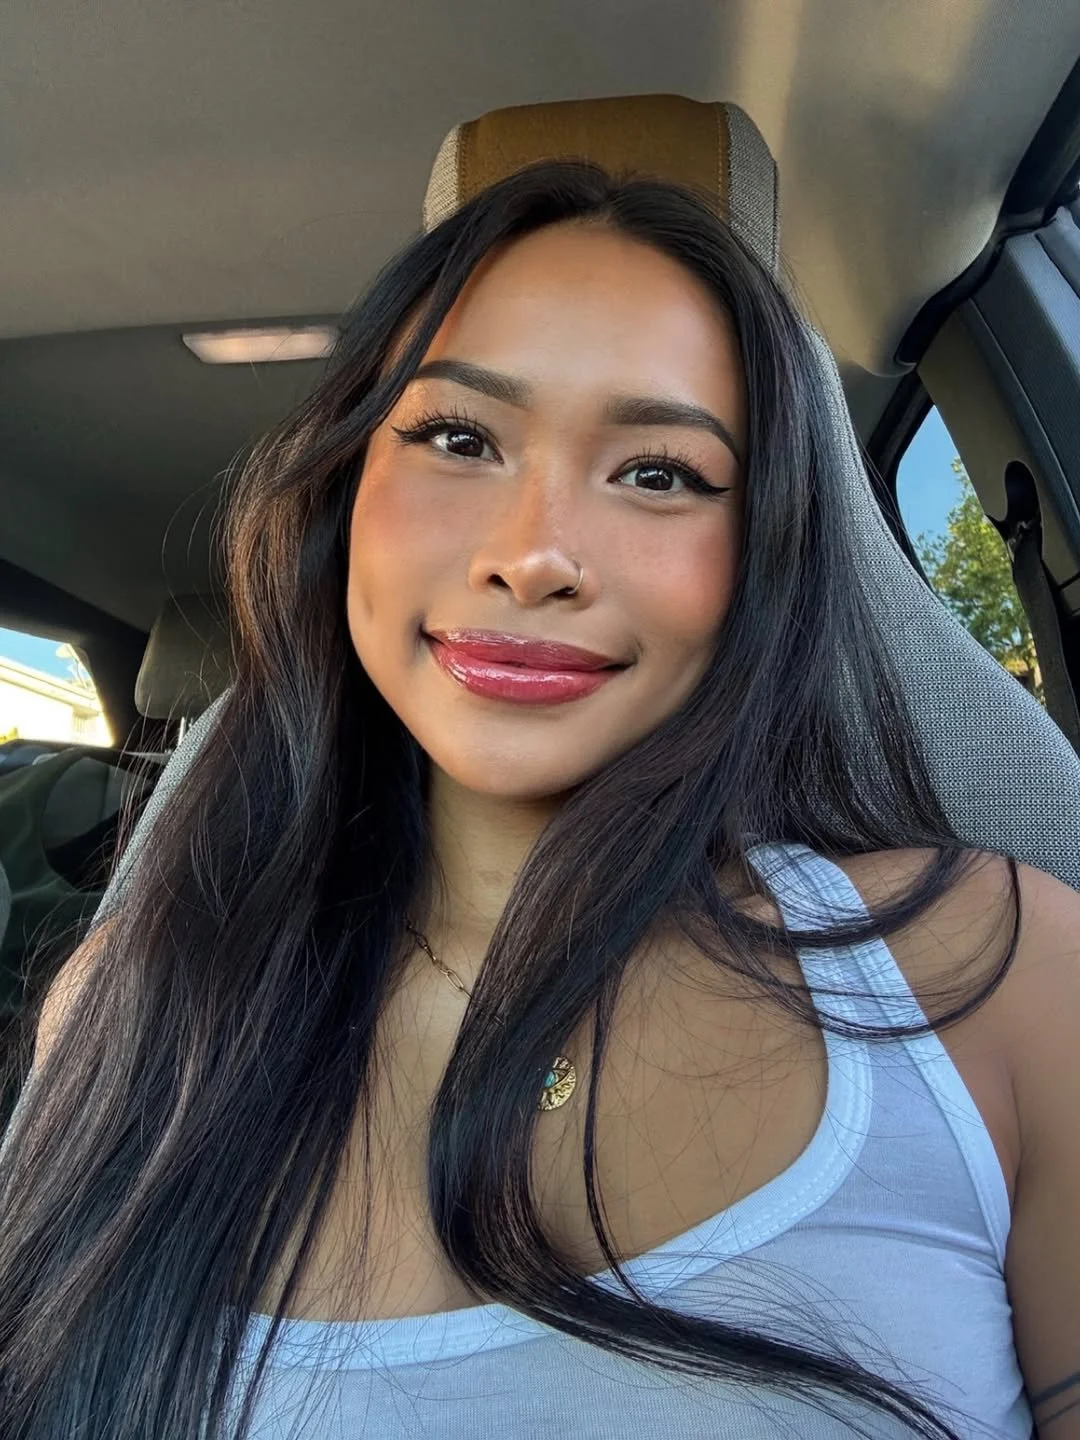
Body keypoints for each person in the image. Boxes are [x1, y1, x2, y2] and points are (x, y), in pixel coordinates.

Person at [0, 159, 1076, 1440]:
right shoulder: (124, 1008)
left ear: (766, 557)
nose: (535, 554)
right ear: (348, 494)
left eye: (661, 472)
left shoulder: (1005, 973)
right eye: (458, 438)